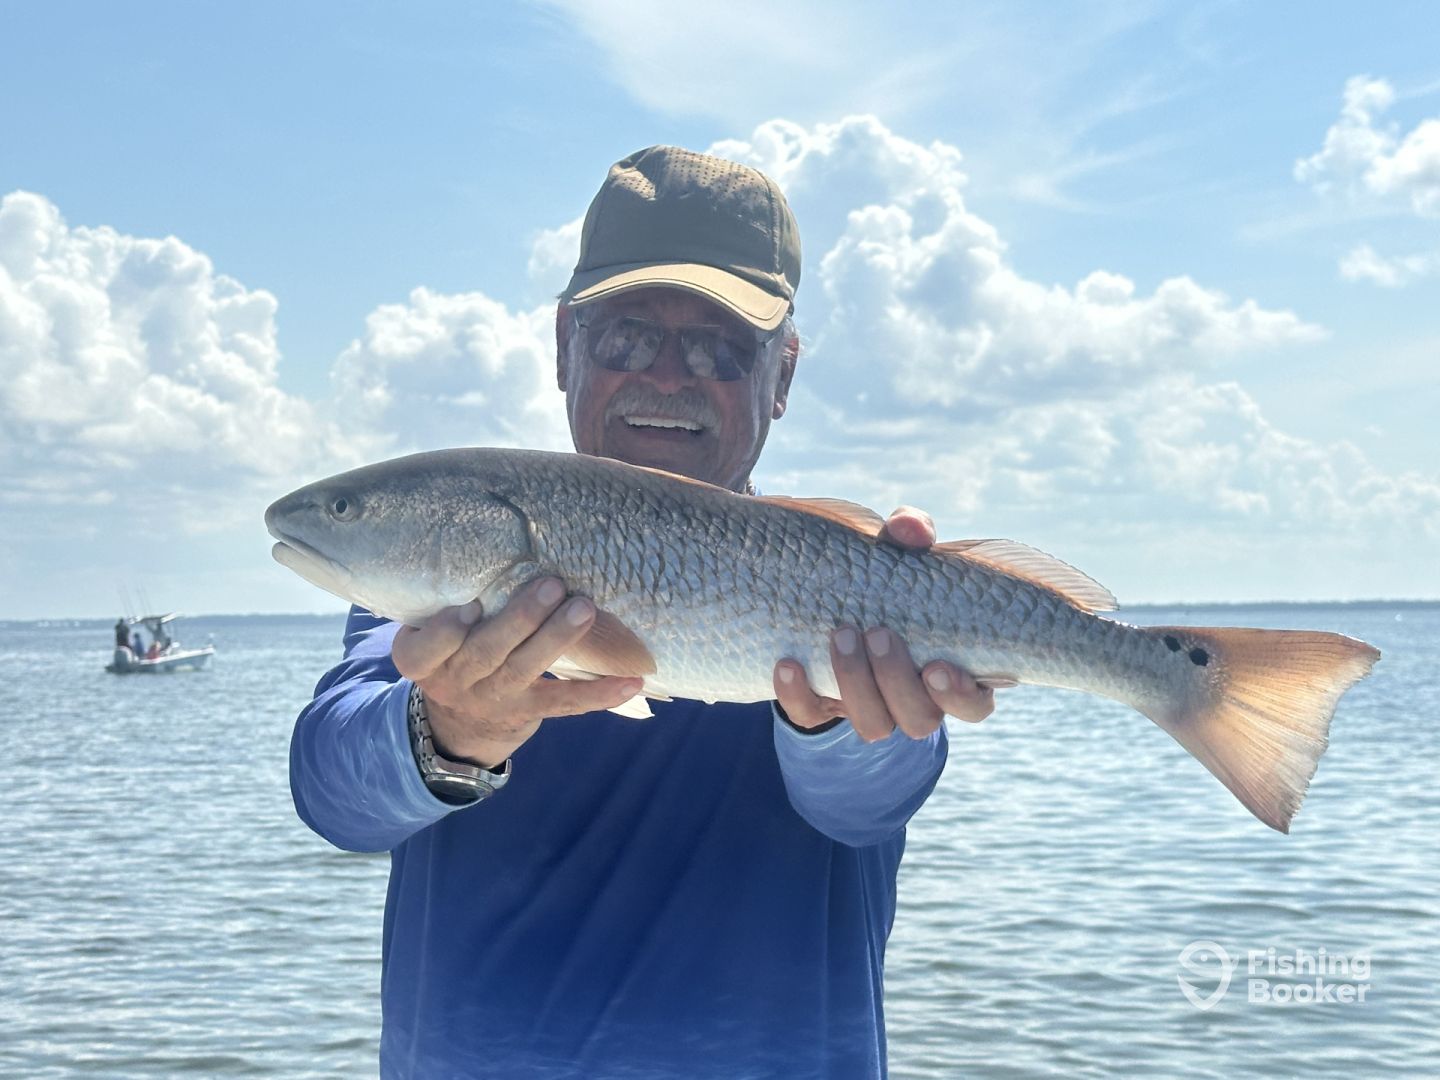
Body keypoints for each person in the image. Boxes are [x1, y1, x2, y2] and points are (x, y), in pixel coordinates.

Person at [291, 145, 996, 1079]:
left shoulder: (851, 589)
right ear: (564, 346)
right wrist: (450, 732)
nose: (667, 375)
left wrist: (840, 722)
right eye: (626, 337)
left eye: (718, 348)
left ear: (782, 374)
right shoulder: (439, 593)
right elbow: (335, 795)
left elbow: (867, 807)